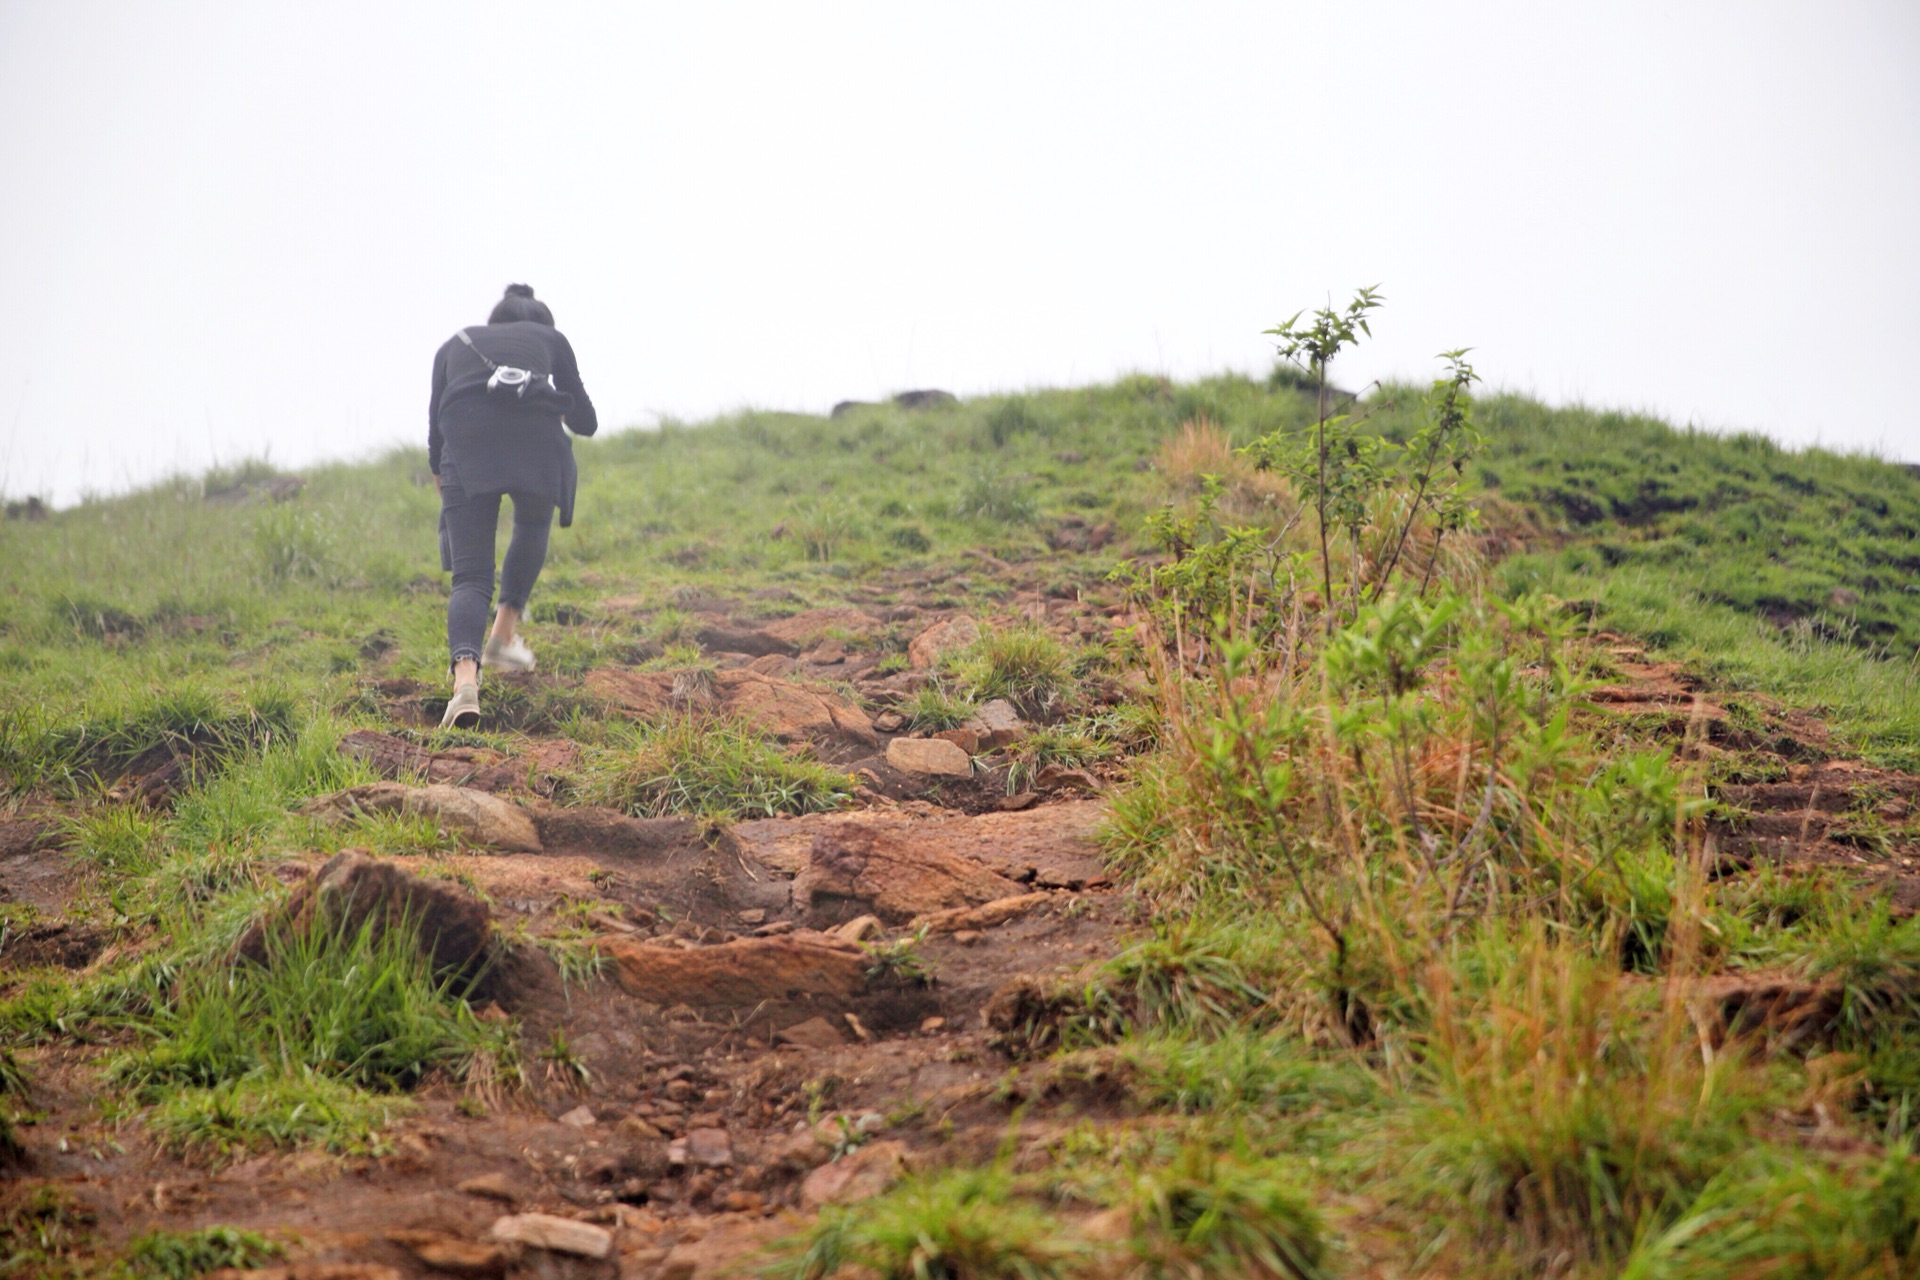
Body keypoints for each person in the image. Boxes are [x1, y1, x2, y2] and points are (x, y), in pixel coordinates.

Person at [428, 284, 597, 728]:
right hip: (536, 442)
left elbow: (435, 435)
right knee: (532, 521)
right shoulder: (551, 340)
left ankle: (466, 681)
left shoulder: (456, 343)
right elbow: (587, 421)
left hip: (465, 441)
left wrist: (448, 483)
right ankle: (502, 636)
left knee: (470, 575)